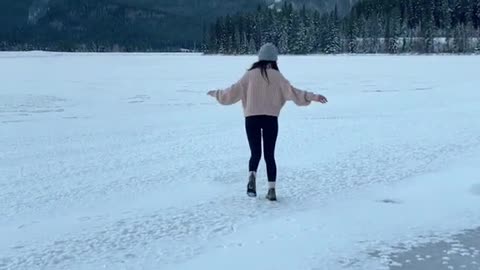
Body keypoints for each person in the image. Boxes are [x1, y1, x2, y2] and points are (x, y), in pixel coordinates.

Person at [207, 43, 328, 201]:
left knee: (255, 153)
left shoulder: (249, 75)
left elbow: (231, 92)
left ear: (260, 58)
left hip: (252, 119)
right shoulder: (278, 77)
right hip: (271, 119)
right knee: (269, 155)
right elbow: (294, 93)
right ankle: (271, 190)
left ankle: (252, 176)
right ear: (275, 60)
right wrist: (313, 96)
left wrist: (217, 94)